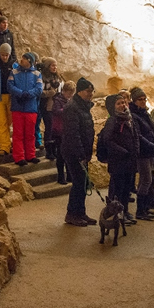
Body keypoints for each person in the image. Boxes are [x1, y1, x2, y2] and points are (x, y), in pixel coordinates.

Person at [98, 93, 139, 225]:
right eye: (119, 103)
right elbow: (107, 140)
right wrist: (123, 151)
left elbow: (134, 136)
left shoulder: (128, 118)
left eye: (123, 102)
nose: (123, 105)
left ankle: (124, 211)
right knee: (118, 190)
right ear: (113, 107)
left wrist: (135, 150)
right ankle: (116, 215)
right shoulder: (113, 120)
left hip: (129, 160)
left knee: (127, 189)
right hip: (118, 161)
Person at [61, 77, 96, 227]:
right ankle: (72, 214)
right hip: (73, 152)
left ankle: (80, 212)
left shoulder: (83, 106)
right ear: (80, 91)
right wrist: (81, 154)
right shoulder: (73, 107)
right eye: (88, 91)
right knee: (78, 183)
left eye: (92, 91)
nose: (91, 94)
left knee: (83, 183)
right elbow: (73, 134)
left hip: (82, 152)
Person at [129, 87, 154, 221]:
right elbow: (139, 135)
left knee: (147, 179)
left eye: (144, 99)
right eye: (139, 100)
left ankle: (146, 207)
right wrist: (153, 145)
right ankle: (140, 210)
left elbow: (153, 129)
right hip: (142, 152)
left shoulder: (145, 113)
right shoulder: (134, 115)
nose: (142, 102)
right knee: (146, 179)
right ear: (134, 101)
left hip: (150, 151)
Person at [7, 52, 43, 165]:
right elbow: (10, 86)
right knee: (18, 134)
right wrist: (21, 93)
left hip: (31, 108)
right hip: (17, 107)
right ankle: (19, 157)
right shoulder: (14, 72)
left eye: (24, 58)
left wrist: (28, 94)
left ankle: (30, 155)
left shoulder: (37, 74)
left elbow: (39, 89)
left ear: (29, 61)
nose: (21, 60)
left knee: (30, 134)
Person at [51, 81, 75, 184]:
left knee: (69, 155)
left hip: (67, 131)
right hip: (59, 131)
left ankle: (69, 176)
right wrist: (67, 109)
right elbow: (56, 111)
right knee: (60, 156)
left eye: (71, 94)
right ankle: (61, 177)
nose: (69, 96)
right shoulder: (58, 100)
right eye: (68, 93)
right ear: (64, 91)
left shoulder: (71, 101)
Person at [39, 57, 63, 160]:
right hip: (46, 106)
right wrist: (50, 93)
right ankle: (49, 151)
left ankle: (55, 150)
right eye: (52, 65)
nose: (55, 67)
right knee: (49, 128)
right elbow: (40, 91)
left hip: (56, 105)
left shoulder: (58, 78)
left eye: (56, 65)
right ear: (48, 66)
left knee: (55, 129)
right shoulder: (43, 78)